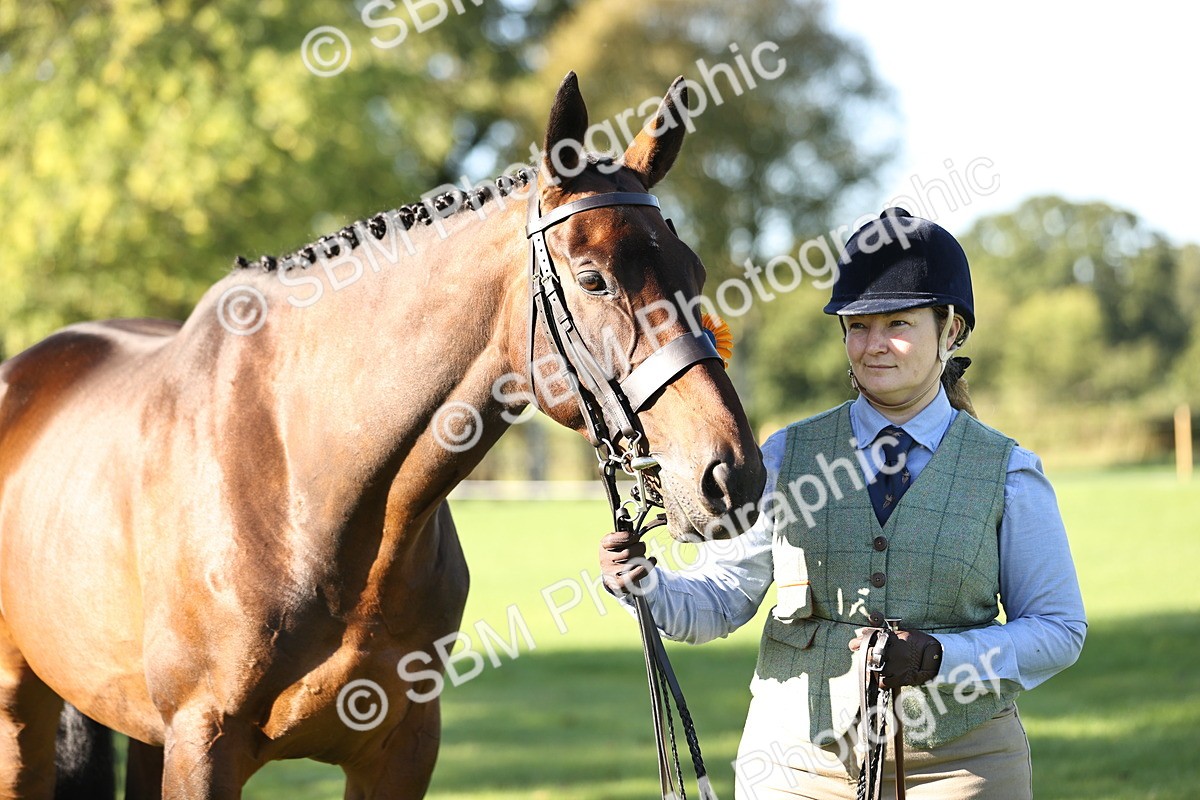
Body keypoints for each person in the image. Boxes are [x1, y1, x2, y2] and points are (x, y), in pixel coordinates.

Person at [600, 208, 1087, 799]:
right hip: (795, 764)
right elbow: (724, 599)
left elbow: (1058, 631)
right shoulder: (784, 455)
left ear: (951, 330)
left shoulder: (1009, 472)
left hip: (963, 764)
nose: (875, 345)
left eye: (899, 324)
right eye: (859, 326)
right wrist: (643, 586)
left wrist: (940, 656)